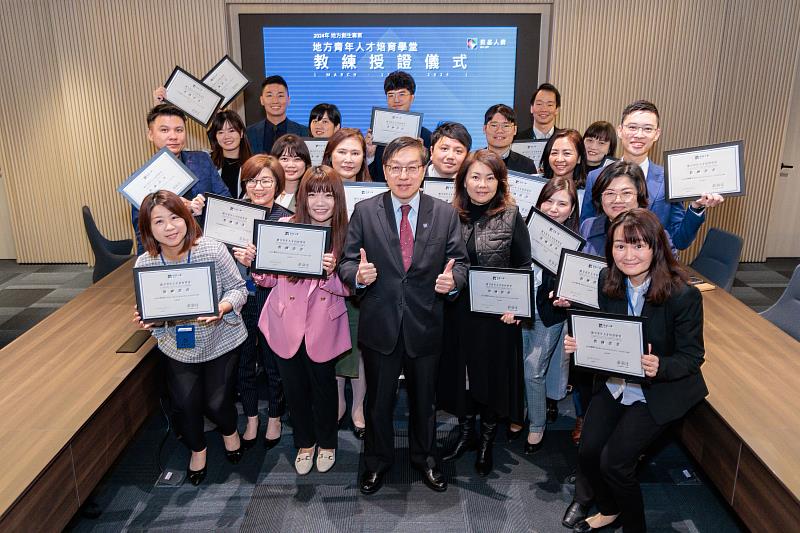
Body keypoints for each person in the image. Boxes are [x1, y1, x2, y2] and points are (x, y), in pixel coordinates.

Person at [562, 208, 707, 533]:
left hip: (658, 390)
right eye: (620, 246)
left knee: (615, 463)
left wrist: (660, 366)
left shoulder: (683, 295)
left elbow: (693, 356)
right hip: (617, 381)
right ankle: (610, 509)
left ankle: (634, 527)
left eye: (638, 245)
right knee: (588, 451)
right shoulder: (607, 280)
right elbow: (607, 331)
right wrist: (581, 346)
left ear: (656, 248)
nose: (628, 255)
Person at [339, 137, 469, 495]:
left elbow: (461, 264)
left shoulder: (444, 213)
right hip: (380, 323)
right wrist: (357, 276)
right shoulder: (366, 210)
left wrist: (452, 282)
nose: (404, 175)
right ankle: (376, 462)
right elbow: (347, 262)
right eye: (395, 167)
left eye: (412, 167)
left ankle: (426, 459)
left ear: (425, 170)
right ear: (384, 170)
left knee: (424, 401)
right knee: (377, 401)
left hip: (425, 322)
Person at [133, 190, 248, 486]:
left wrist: (222, 307)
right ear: (148, 229)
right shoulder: (145, 265)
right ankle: (198, 449)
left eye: (174, 217)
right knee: (184, 404)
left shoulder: (211, 248)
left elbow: (238, 289)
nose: (169, 227)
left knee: (217, 402)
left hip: (221, 338)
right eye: (159, 222)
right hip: (178, 346)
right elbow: (154, 314)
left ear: (186, 218)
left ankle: (229, 431)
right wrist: (149, 319)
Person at [253, 166, 351, 475]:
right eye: (312, 194)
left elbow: (351, 288)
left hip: (324, 324)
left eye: (328, 195)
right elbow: (267, 280)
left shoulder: (346, 234)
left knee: (324, 389)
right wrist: (255, 264)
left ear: (338, 199)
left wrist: (331, 273)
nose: (320, 202)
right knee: (293, 389)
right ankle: (304, 443)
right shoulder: (284, 225)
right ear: (302, 197)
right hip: (286, 323)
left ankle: (328, 443)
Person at [437, 149, 530, 476]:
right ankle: (465, 433)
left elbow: (523, 265)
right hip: (458, 310)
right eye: (475, 176)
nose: (482, 184)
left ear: (500, 181)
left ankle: (488, 440)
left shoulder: (511, 214)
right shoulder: (449, 215)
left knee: (490, 378)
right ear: (463, 180)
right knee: (462, 376)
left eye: (490, 177)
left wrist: (516, 307)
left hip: (496, 317)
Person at [581, 100, 723, 250]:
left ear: (657, 134)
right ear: (620, 131)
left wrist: (696, 207)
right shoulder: (596, 176)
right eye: (632, 127)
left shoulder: (669, 180)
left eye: (647, 129)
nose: (639, 135)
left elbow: (680, 241)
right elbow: (586, 230)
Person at [228, 155, 293, 450]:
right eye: (252, 180)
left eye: (266, 180)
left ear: (278, 185)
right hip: (238, 301)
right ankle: (252, 416)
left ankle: (276, 416)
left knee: (272, 363)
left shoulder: (287, 219)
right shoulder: (231, 216)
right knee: (243, 362)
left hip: (272, 300)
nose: (259, 186)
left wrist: (257, 264)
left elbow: (290, 269)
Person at [517, 176, 581, 454]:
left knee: (534, 369)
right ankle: (519, 413)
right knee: (517, 364)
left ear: (572, 208)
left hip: (549, 312)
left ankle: (537, 424)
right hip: (519, 308)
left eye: (562, 203)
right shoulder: (524, 229)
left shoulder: (577, 241)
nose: (554, 208)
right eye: (549, 201)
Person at [320, 127, 370, 439]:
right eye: (342, 152)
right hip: (325, 284)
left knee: (359, 347)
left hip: (362, 285)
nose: (349, 159)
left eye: (355, 153)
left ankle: (358, 406)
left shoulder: (374, 191)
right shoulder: (319, 190)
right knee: (333, 344)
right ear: (330, 155)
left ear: (365, 157)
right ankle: (338, 401)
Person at [131, 104, 231, 254]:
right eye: (164, 130)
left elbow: (225, 201)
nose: (173, 136)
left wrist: (201, 208)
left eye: (179, 130)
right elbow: (142, 230)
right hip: (168, 255)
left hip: (207, 247)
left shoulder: (202, 160)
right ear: (150, 134)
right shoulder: (142, 180)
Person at [581, 160, 675, 258]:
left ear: (639, 196)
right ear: (600, 198)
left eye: (626, 193)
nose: (617, 200)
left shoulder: (657, 234)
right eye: (610, 193)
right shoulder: (588, 227)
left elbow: (668, 271)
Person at [366, 71, 432, 182]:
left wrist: (422, 155)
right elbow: (370, 177)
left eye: (402, 94)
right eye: (391, 95)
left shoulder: (427, 137)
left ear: (412, 98)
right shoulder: (376, 135)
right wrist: (369, 155)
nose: (396, 100)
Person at [246, 75, 309, 154]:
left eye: (280, 96)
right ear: (262, 100)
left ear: (288, 100)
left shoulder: (304, 132)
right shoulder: (249, 133)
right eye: (269, 95)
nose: (275, 101)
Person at [208, 110, 253, 199]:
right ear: (215, 137)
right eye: (220, 132)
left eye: (231, 131)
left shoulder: (253, 165)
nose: (226, 136)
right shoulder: (208, 163)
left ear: (241, 133)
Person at [483, 104, 538, 174]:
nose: (499, 130)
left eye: (506, 126)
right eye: (494, 125)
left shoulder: (527, 165)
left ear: (515, 130)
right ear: (484, 129)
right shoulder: (473, 161)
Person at [271, 134, 312, 212]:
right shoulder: (263, 190)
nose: (291, 165)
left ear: (306, 163)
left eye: (297, 159)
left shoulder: (312, 195)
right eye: (284, 159)